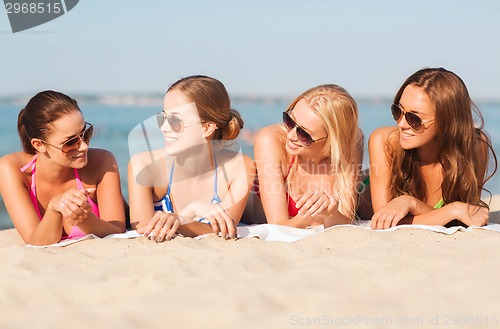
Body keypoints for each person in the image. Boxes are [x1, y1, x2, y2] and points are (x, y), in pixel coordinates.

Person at [128, 75, 254, 241]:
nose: (164, 128)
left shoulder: (240, 167)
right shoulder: (144, 165)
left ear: (207, 128)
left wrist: (180, 221)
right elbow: (142, 230)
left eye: (175, 121)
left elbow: (226, 230)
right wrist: (190, 211)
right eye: (163, 118)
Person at [369, 67, 497, 229]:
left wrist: (412, 204)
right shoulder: (384, 142)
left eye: (413, 119)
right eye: (398, 111)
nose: (401, 124)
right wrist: (453, 210)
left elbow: (466, 218)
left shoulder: (475, 146)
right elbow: (382, 222)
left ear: (447, 122)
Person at [0, 90, 126, 245]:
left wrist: (84, 219)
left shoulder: (102, 162)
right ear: (39, 145)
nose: (84, 146)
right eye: (70, 142)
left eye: (85, 134)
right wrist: (55, 208)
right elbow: (35, 242)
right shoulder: (12, 169)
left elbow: (118, 231)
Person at [252, 84, 364, 228]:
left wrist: (330, 213)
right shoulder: (270, 140)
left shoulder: (351, 143)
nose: (291, 135)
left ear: (333, 140)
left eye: (304, 134)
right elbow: (277, 226)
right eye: (289, 121)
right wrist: (312, 216)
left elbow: (345, 221)